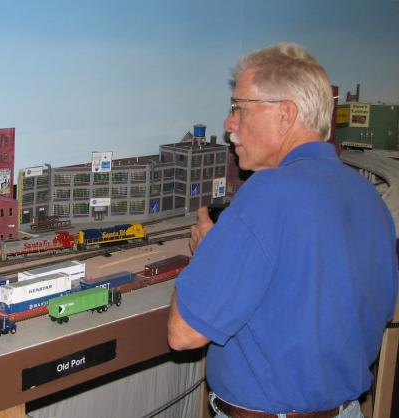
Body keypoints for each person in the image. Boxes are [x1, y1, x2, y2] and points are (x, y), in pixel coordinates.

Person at [167, 42, 398, 417]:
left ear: (285, 115)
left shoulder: (269, 192)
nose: (229, 123)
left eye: (239, 107)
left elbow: (184, 333)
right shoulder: (367, 196)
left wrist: (209, 253)